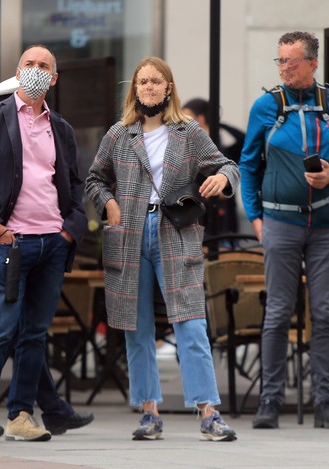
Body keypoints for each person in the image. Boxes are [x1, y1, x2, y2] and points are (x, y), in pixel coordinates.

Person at [85, 56, 239, 442]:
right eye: (143, 81)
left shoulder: (188, 132)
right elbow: (93, 179)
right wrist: (109, 203)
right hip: (129, 232)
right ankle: (148, 412)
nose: (150, 87)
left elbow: (229, 165)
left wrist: (220, 177)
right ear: (134, 89)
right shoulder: (119, 134)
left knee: (190, 321)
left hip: (174, 230)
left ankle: (208, 411)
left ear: (169, 88)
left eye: (157, 81)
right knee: (135, 326)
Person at [0, 45, 87, 444]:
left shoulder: (61, 128)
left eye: (43, 66)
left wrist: (69, 231)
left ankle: (21, 415)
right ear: (17, 72)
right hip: (11, 244)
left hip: (52, 242)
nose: (35, 70)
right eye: (29, 64)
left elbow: (74, 185)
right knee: (0, 330)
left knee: (34, 335)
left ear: (54, 78)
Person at [239, 31, 329, 430]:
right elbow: (248, 164)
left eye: (292, 62)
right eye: (280, 61)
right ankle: (270, 402)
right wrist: (255, 216)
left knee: (325, 315)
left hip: (327, 225)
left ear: (313, 63)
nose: (284, 69)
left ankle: (324, 402)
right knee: (277, 313)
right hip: (279, 223)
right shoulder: (266, 106)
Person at [182, 97, 244, 236]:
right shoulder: (186, 144)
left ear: (201, 119)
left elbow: (242, 139)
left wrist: (217, 123)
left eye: (187, 116)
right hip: (196, 216)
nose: (182, 121)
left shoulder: (217, 147)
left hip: (221, 218)